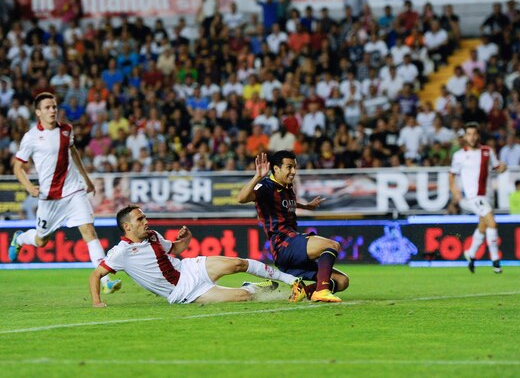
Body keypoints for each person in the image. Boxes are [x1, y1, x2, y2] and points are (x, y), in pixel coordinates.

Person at [9, 92, 122, 294]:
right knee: (41, 241)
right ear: (38, 112)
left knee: (89, 230)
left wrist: (86, 179)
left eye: (54, 107)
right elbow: (17, 166)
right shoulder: (31, 137)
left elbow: (73, 152)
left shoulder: (67, 130)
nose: (52, 110)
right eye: (47, 107)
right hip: (49, 199)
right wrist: (29, 187)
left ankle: (105, 281)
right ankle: (20, 238)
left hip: (73, 191)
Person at [90, 205, 304, 307]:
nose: (146, 221)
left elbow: (174, 250)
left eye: (144, 216)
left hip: (190, 268)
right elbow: (95, 275)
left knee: (238, 263)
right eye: (140, 219)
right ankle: (254, 287)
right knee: (244, 297)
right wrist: (97, 302)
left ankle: (292, 280)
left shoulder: (153, 235)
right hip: (184, 292)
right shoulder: (121, 252)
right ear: (127, 226)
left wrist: (187, 238)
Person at [237, 151, 349, 302]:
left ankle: (303, 291)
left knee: (342, 281)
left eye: (295, 167)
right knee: (332, 245)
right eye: (289, 167)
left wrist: (307, 206)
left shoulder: (287, 188)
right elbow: (241, 198)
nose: (293, 171)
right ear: (276, 169)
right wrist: (257, 177)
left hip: (292, 248)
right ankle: (321, 292)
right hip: (283, 244)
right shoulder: (266, 187)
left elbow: (286, 204)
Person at [449, 122, 507, 273]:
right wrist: (454, 189)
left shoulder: (488, 151)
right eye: (469, 134)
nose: (472, 137)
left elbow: (497, 168)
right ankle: (495, 261)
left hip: (488, 196)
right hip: (473, 197)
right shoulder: (459, 155)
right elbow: (451, 175)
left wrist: (503, 167)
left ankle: (471, 254)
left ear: (478, 135)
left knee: (483, 226)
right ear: (465, 136)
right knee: (492, 224)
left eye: (474, 134)